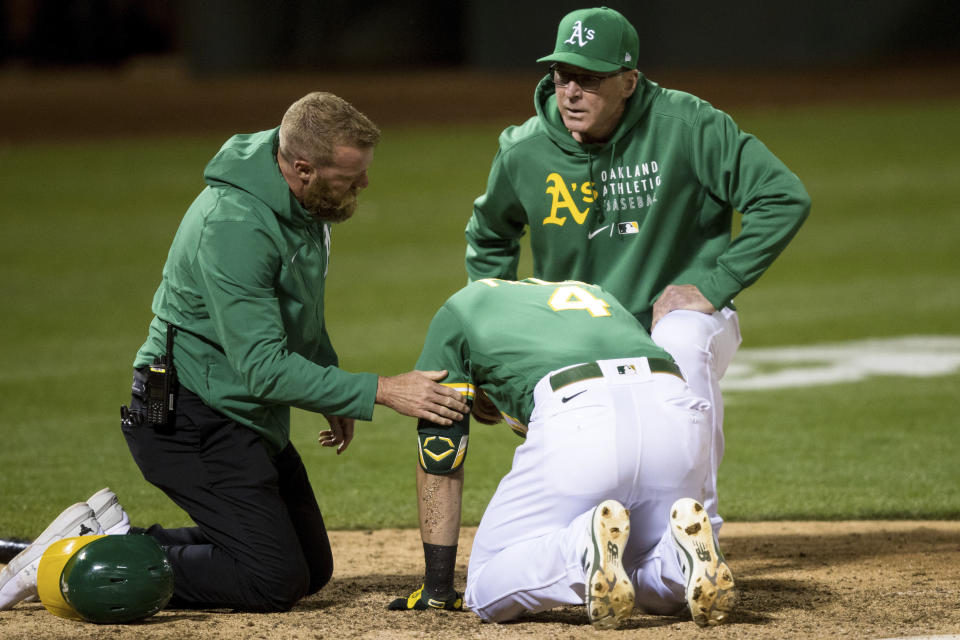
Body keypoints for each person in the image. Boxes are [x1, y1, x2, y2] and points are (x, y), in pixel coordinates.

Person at [0, 91, 469, 614]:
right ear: (303, 168)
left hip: (240, 412)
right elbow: (263, 368)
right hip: (187, 418)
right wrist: (380, 390)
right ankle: (72, 559)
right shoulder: (235, 226)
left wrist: (329, 386)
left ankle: (113, 537)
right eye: (351, 175)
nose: (364, 184)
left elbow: (301, 316)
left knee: (312, 569)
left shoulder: (303, 204)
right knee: (271, 579)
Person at [464, 7, 811, 535]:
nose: (571, 92)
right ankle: (585, 539)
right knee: (583, 463)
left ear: (628, 81)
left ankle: (699, 533)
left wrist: (716, 285)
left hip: (671, 318)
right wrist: (492, 340)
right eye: (563, 76)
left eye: (590, 78)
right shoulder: (524, 150)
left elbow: (782, 196)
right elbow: (491, 235)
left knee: (682, 342)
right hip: (579, 333)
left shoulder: (688, 125)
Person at [389, 278, 736, 628]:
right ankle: (677, 561)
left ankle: (579, 549)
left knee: (483, 585)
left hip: (580, 411)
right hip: (677, 413)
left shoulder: (460, 309)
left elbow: (441, 457)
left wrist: (438, 588)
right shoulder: (593, 293)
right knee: (638, 565)